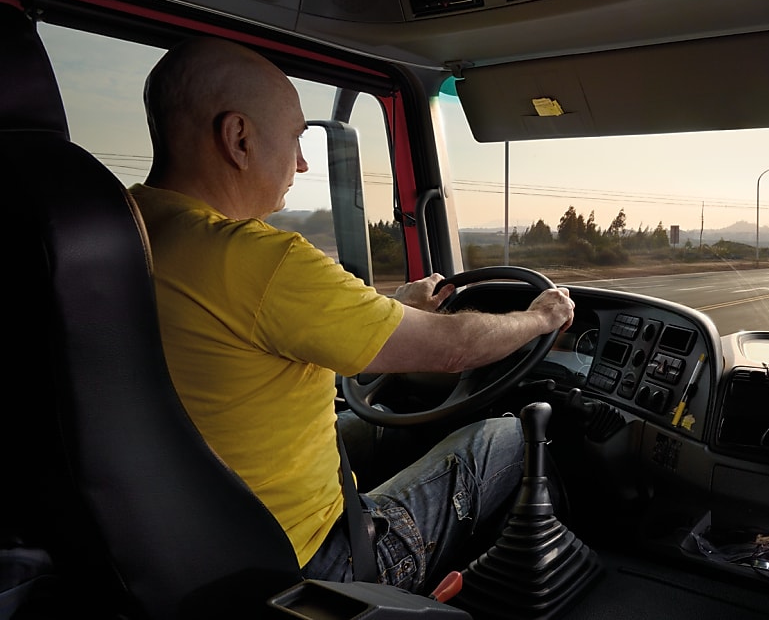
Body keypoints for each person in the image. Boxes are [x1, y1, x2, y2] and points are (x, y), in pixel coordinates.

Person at [128, 36, 575, 593]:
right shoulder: (257, 258)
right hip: (312, 566)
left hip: (180, 549)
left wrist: (393, 311)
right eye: (295, 138)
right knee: (506, 437)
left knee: (376, 416)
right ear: (238, 138)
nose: (302, 162)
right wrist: (540, 317)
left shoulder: (129, 228)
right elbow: (453, 348)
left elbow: (272, 334)